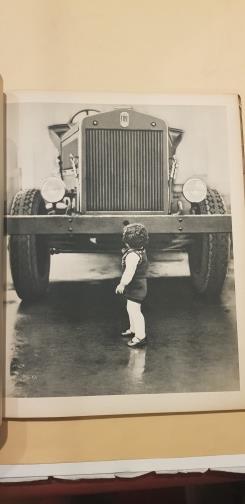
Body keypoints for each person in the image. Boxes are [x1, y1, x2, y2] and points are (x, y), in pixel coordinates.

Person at [115, 223, 148, 348]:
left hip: (136, 287)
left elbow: (129, 273)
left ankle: (140, 336)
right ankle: (133, 329)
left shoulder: (132, 256)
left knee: (135, 311)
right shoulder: (139, 251)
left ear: (127, 242)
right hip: (138, 285)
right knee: (131, 309)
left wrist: (122, 284)